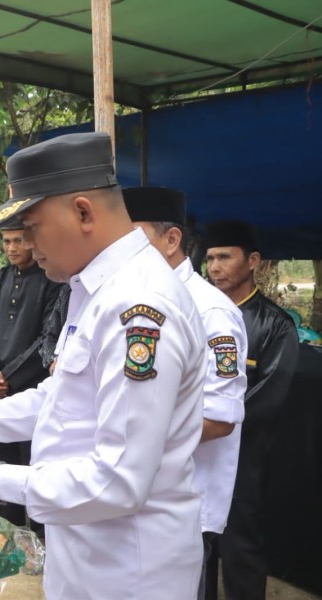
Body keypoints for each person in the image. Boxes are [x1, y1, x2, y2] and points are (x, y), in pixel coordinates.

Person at [0, 132, 207, 600]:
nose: (25, 243)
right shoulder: (95, 290)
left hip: (129, 567)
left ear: (83, 212)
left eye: (33, 226)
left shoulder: (139, 306)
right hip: (84, 545)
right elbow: (59, 398)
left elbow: (119, 479)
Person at [124, 187, 249, 599]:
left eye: (134, 235)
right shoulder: (136, 297)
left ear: (171, 240)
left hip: (186, 501)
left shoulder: (210, 311)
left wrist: (135, 442)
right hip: (139, 491)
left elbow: (219, 419)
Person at [202, 220, 299, 600]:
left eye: (225, 256)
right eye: (210, 258)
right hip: (199, 452)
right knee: (198, 549)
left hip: (245, 459)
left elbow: (269, 395)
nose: (214, 267)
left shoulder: (276, 325)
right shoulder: (200, 315)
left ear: (253, 260)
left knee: (240, 551)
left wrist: (216, 424)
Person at [0, 216, 62, 528]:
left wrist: (8, 377)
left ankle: (39, 531)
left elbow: (47, 337)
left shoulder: (52, 281)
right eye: (6, 241)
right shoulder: (0, 278)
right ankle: (9, 527)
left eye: (18, 240)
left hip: (30, 385)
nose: (11, 248)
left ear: (33, 240)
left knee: (33, 459)